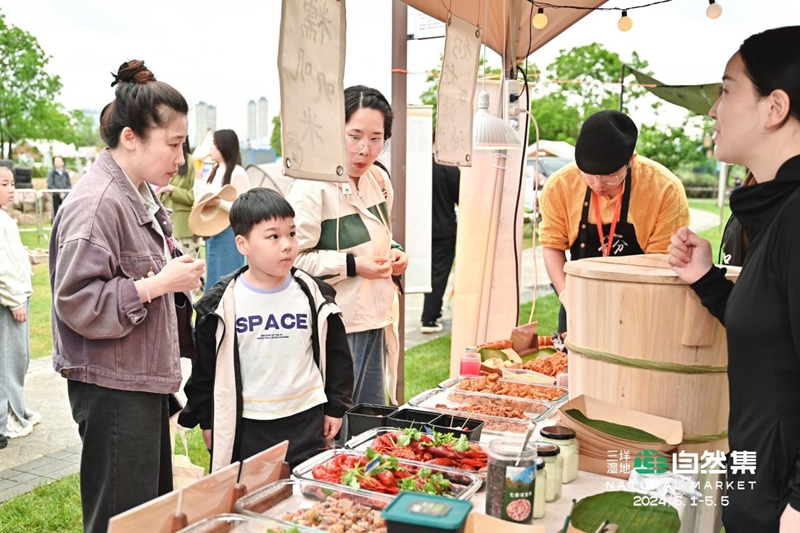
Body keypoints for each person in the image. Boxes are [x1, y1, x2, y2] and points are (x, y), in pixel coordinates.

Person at [49, 60, 205, 533]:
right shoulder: (97, 202)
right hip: (113, 387)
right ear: (131, 137)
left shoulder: (138, 192)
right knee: (120, 520)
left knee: (146, 516)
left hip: (139, 378)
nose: (181, 159)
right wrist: (158, 284)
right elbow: (75, 301)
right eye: (173, 144)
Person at [667, 26, 800, 533]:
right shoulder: (776, 210)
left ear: (775, 107)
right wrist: (706, 279)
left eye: (726, 90)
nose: (713, 110)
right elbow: (773, 337)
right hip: (760, 491)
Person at [180, 188, 354, 470]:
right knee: (250, 491)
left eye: (292, 234)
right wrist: (208, 421)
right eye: (273, 236)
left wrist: (335, 406)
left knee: (306, 491)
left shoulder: (314, 294)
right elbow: (204, 370)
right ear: (242, 244)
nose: (287, 245)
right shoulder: (220, 305)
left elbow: (337, 355)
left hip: (306, 417)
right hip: (248, 423)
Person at [286, 85, 408, 406]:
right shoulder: (311, 187)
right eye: (354, 136)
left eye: (376, 138)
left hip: (375, 319)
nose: (364, 150)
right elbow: (290, 260)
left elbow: (380, 234)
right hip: (334, 327)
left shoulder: (378, 180)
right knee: (335, 421)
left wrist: (394, 252)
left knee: (369, 416)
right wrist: (353, 265)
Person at [538, 109, 690, 332]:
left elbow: (661, 261)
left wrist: (627, 306)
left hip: (640, 303)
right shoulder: (560, 186)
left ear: (630, 160)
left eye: (611, 176)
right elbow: (552, 246)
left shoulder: (664, 189)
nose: (599, 185)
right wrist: (567, 296)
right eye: (589, 175)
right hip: (578, 299)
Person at [0, 165, 40, 449]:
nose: (11, 189)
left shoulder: (5, 218)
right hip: (8, 301)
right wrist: (15, 301)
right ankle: (5, 419)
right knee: (8, 362)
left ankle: (15, 410)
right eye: (4, 184)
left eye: (12, 183)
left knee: (18, 359)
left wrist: (26, 256)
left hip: (16, 295)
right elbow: (1, 270)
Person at [195, 129, 250, 289]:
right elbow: (198, 198)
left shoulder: (237, 172)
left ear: (224, 146)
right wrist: (198, 175)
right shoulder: (213, 171)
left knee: (227, 278)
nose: (211, 148)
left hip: (229, 232)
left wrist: (218, 203)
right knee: (213, 279)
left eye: (214, 144)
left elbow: (242, 207)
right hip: (211, 231)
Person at [421, 133, 460, 334]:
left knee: (419, 272)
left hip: (418, 228)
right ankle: (429, 317)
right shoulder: (449, 168)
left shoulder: (417, 166)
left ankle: (432, 313)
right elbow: (461, 198)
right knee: (438, 273)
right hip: (444, 229)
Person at [158, 138, 200, 259]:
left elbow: (195, 197)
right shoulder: (164, 160)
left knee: (190, 263)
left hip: (184, 227)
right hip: (166, 224)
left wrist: (172, 189)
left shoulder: (192, 162)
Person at [47, 156, 72, 221]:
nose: (56, 162)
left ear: (63, 162)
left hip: (65, 196)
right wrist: (59, 192)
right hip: (55, 195)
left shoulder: (66, 174)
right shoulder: (52, 174)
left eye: (58, 161)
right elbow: (50, 185)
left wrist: (65, 193)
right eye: (55, 161)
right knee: (54, 212)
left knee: (66, 212)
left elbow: (69, 185)